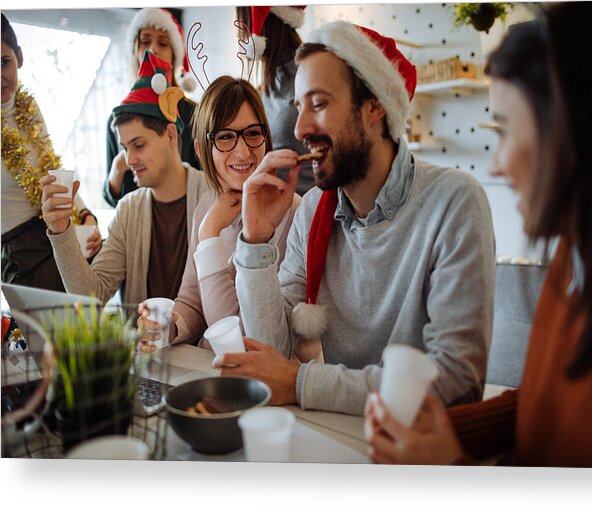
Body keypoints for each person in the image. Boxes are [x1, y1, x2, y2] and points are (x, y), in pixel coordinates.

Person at [364, 2, 592, 467]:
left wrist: (453, 468)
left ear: (572, 129)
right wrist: (451, 431)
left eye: (506, 129)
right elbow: (547, 395)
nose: (495, 164)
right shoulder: (576, 260)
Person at [213, 21, 496, 413]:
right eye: (299, 107)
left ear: (375, 105)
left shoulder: (455, 202)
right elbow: (271, 350)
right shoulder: (312, 209)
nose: (299, 128)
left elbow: (453, 381)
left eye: (319, 103)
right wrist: (257, 240)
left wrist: (302, 383)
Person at [40, 51, 209, 307]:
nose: (128, 160)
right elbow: (90, 296)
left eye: (138, 145)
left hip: (205, 346)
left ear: (171, 135)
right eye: (125, 148)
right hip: (144, 347)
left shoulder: (211, 193)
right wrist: (62, 231)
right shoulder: (128, 210)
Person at [148, 75, 301, 348]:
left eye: (253, 133)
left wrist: (209, 234)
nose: (242, 153)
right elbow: (193, 300)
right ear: (200, 148)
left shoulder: (292, 213)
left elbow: (237, 339)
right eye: (225, 137)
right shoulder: (208, 207)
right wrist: (167, 327)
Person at [1, 13, 100, 292]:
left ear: (19, 56)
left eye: (3, 62)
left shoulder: (29, 109)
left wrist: (84, 213)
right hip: (20, 254)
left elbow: (51, 168)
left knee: (86, 328)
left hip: (56, 234)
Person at [104, 7, 199, 208]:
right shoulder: (118, 119)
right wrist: (118, 168)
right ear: (135, 52)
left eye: (163, 43)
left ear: (174, 55)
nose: (153, 49)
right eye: (145, 42)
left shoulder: (196, 115)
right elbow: (113, 199)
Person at [236, 5, 313, 195]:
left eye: (241, 25)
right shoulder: (264, 90)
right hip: (275, 210)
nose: (240, 36)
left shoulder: (308, 78)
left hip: (306, 208)